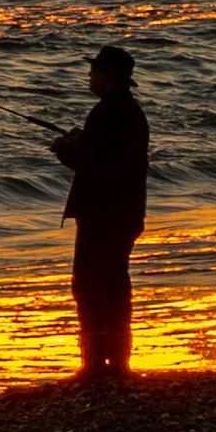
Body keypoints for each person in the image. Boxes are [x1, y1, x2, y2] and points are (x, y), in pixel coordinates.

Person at [49, 46, 149, 380]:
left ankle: (93, 364)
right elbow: (106, 153)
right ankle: (117, 362)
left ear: (107, 75)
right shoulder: (130, 111)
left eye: (94, 70)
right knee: (114, 284)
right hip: (125, 212)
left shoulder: (106, 112)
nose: (89, 75)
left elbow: (87, 160)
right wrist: (81, 140)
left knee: (90, 286)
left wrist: (64, 148)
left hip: (102, 214)